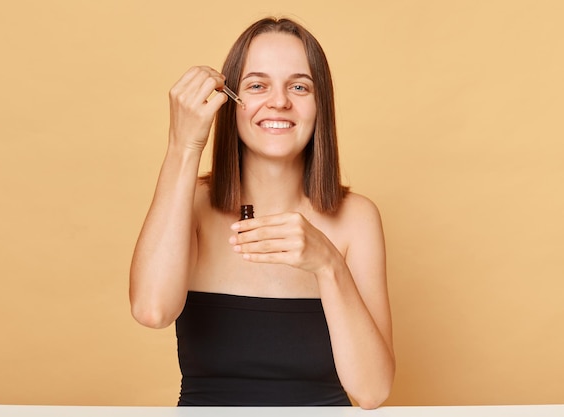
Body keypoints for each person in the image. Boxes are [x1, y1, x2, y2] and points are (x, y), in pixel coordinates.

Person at [130, 17, 395, 408]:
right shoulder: (193, 206)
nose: (279, 101)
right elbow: (151, 310)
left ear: (320, 105)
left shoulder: (357, 219)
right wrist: (183, 146)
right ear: (231, 101)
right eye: (257, 85)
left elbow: (372, 393)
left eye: (299, 87)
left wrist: (328, 264)